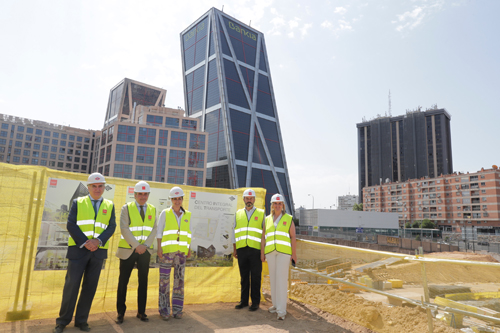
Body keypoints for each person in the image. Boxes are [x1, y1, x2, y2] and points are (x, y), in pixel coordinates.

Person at [53, 173, 116, 333]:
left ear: (104, 187)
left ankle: (81, 320)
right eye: (94, 186)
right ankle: (62, 321)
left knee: (90, 287)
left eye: (100, 186)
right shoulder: (78, 202)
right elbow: (71, 224)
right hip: (78, 250)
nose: (97, 189)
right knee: (71, 285)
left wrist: (98, 241)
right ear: (88, 187)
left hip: (98, 252)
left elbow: (111, 227)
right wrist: (86, 242)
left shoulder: (109, 205)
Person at [116, 181, 157, 324]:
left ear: (148, 195)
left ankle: (141, 312)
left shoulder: (152, 209)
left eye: (145, 194)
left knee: (143, 282)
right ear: (135, 194)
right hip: (128, 250)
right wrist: (136, 246)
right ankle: (120, 313)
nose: (143, 196)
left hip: (144, 251)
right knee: (123, 282)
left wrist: (144, 245)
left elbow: (154, 230)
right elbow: (124, 228)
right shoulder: (126, 208)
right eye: (140, 194)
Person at [156, 186, 192, 320]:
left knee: (179, 282)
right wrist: (159, 248)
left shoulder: (188, 215)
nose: (177, 201)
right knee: (164, 282)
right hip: (167, 252)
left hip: (181, 253)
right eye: (174, 199)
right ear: (170, 200)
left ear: (182, 199)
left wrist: (188, 248)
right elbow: (159, 232)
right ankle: (164, 310)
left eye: (179, 198)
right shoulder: (165, 213)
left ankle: (177, 310)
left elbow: (189, 233)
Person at [260, 193, 297, 321]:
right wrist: (262, 253)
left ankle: (281, 311)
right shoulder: (267, 219)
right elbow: (263, 236)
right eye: (275, 203)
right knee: (274, 280)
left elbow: (293, 237)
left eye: (279, 203)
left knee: (281, 281)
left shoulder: (288, 218)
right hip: (270, 252)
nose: (277, 205)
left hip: (284, 253)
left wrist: (294, 254)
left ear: (283, 205)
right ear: (272, 205)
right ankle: (275, 305)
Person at [233, 188, 265, 311]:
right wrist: (235, 248)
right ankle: (244, 301)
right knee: (244, 277)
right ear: (243, 200)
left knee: (256, 277)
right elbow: (233, 232)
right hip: (242, 249)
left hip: (256, 250)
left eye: (251, 198)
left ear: (254, 200)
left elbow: (264, 235)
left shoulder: (261, 214)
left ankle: (255, 302)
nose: (249, 200)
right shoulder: (238, 213)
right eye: (247, 198)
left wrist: (263, 252)